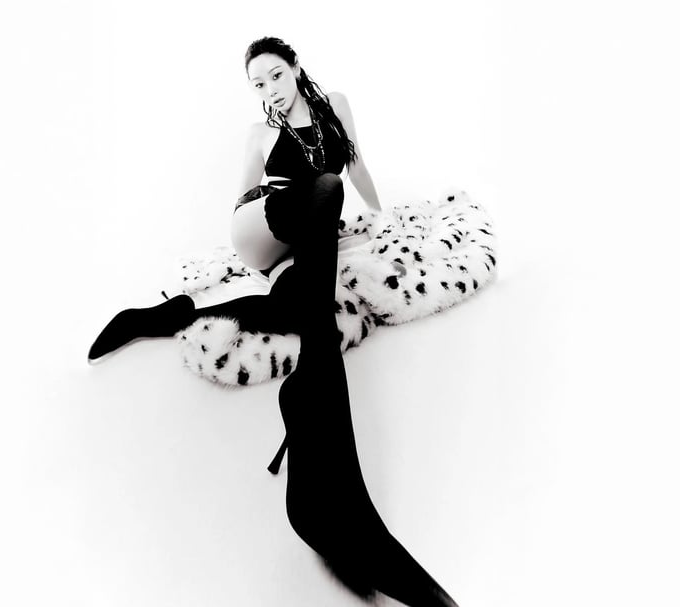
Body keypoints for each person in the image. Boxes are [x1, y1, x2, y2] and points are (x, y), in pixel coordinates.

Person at [88, 37, 459, 606]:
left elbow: (355, 164)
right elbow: (245, 194)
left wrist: (382, 218)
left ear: (296, 68)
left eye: (275, 76)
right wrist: (274, 202)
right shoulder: (261, 132)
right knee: (325, 189)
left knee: (298, 304)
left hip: (310, 234)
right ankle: (334, 503)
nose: (269, 90)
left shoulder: (335, 105)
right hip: (262, 225)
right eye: (257, 84)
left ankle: (172, 315)